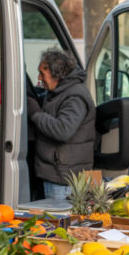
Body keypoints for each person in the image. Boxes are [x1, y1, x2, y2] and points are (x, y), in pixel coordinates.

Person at [27, 48, 96, 199]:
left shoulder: (75, 97)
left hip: (63, 181)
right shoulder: (59, 92)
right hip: (58, 175)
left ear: (56, 75)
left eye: (42, 74)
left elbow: (62, 130)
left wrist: (36, 114)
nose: (39, 78)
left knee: (58, 221)